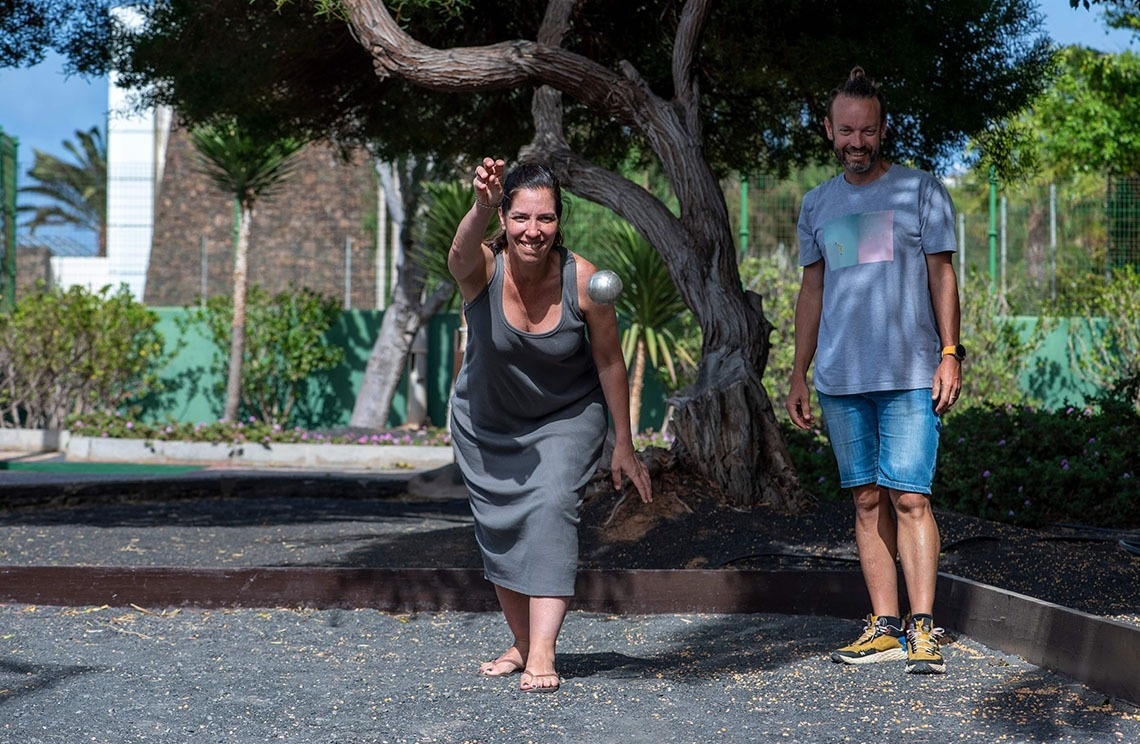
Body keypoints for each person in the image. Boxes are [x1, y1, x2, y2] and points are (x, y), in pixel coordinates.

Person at [449, 157, 653, 693]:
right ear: (504, 218)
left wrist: (624, 443)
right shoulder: (484, 268)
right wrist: (481, 205)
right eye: (520, 217)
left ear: (560, 220)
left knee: (552, 505)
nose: (532, 231)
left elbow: (610, 361)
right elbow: (458, 255)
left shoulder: (583, 280)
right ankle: (521, 642)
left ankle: (543, 651)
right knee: (500, 525)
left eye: (545, 218)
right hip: (488, 420)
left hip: (567, 414)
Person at [785, 67, 962, 675]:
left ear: (883, 130)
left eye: (867, 131)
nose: (856, 142)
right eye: (846, 131)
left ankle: (923, 627)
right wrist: (799, 372)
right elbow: (813, 290)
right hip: (841, 379)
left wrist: (950, 352)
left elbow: (942, 274)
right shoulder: (817, 204)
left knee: (910, 497)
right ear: (829, 131)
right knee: (866, 500)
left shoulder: (920, 191)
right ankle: (884, 626)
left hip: (911, 374)